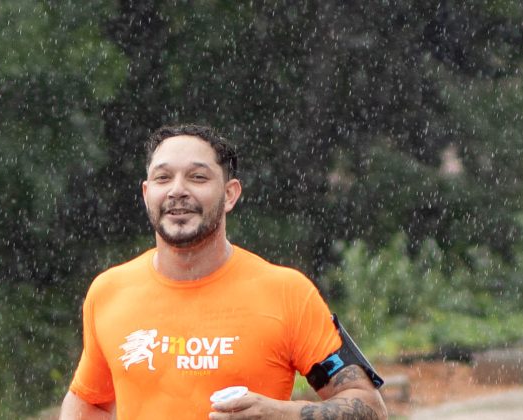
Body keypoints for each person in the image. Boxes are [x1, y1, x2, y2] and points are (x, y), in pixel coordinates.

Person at [59, 124, 387, 420]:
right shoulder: (110, 291)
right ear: (147, 194)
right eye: (163, 178)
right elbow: (89, 401)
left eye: (197, 177)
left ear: (230, 194)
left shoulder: (287, 292)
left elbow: (370, 409)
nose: (177, 190)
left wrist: (280, 414)